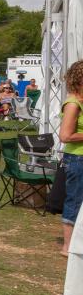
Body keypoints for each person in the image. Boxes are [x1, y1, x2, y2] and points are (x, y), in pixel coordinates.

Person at [58, 61, 83, 257]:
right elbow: (65, 136)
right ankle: (67, 246)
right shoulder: (73, 104)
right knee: (75, 200)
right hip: (76, 159)